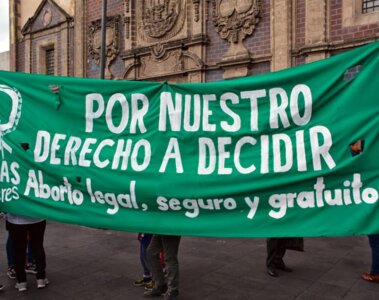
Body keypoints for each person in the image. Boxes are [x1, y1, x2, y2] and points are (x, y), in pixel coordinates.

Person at [6, 213, 48, 292]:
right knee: (38, 247)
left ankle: (21, 282)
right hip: (37, 218)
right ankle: (41, 278)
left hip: (15, 220)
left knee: (18, 251)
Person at [143, 234, 181, 300]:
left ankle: (173, 291)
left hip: (171, 228)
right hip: (160, 228)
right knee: (151, 253)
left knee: (170, 258)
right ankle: (160, 285)